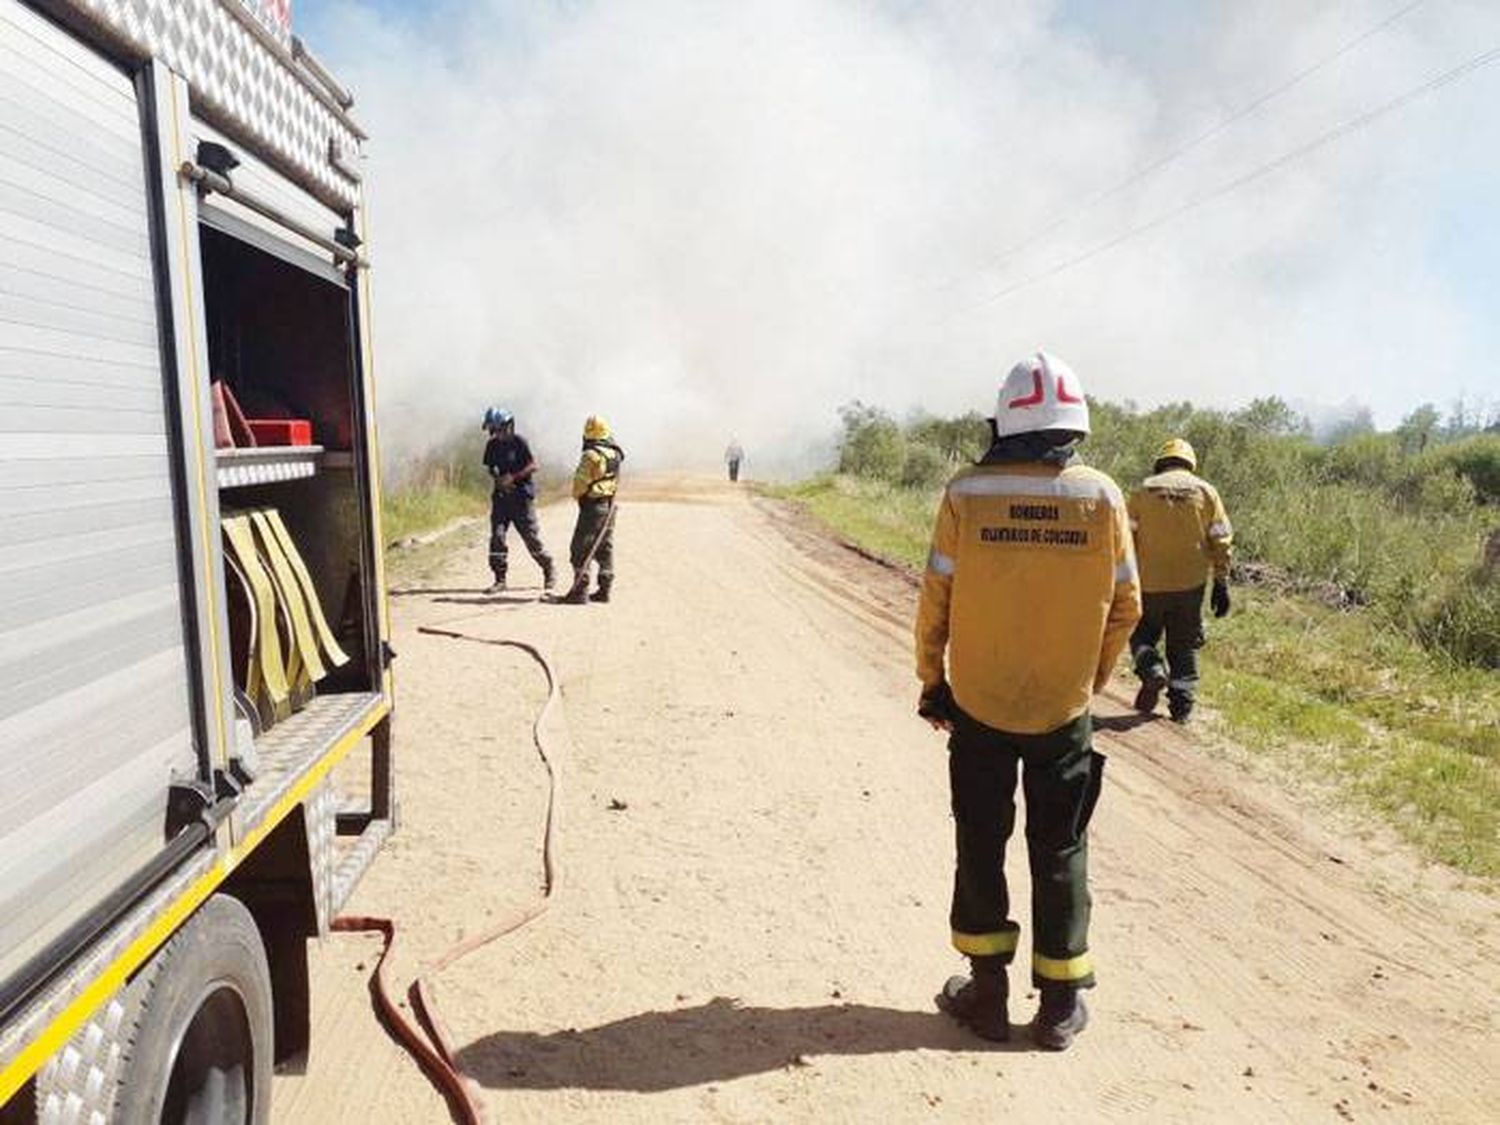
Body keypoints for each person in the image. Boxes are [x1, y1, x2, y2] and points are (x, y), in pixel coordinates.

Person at [914, 350, 1141, 1050]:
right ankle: (1060, 1003)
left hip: (978, 704)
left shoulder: (966, 492)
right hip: (1063, 711)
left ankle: (986, 997)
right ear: (1073, 425)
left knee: (981, 840)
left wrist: (933, 678)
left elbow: (936, 597)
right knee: (1061, 845)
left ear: (1005, 421)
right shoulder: (1101, 496)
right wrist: (1086, 681)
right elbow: (1126, 605)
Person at [1126, 438, 1233, 724]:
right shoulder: (1207, 492)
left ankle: (1151, 670)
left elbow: (1124, 539)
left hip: (1148, 583)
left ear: (1161, 462)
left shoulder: (1143, 491)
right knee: (1184, 645)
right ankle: (1182, 708)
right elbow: (1221, 539)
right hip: (1191, 585)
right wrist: (1221, 581)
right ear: (1191, 464)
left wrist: (1120, 580)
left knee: (1141, 635)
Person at [481, 406, 554, 594]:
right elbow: (490, 467)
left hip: (522, 499)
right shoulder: (492, 446)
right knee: (497, 538)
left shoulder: (519, 442)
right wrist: (497, 478)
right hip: (501, 500)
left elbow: (533, 465)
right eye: (492, 430)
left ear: (507, 426)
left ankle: (548, 568)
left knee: (531, 539)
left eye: (497, 429)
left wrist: (513, 477)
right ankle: (499, 579)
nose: (495, 433)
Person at [559, 414, 625, 604]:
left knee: (580, 548)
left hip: (593, 507)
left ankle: (580, 591)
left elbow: (580, 484)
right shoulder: (615, 454)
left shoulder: (591, 456)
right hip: (609, 506)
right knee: (604, 547)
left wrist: (578, 496)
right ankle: (605, 589)